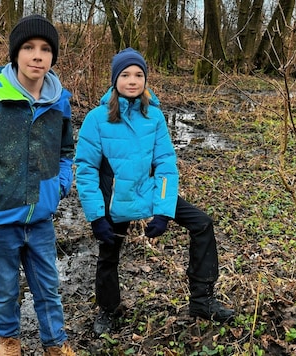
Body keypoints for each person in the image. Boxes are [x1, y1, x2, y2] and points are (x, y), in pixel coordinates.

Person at [74, 48, 235, 335]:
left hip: (148, 192)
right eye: (125, 75)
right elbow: (85, 170)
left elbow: (165, 164)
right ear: (114, 80)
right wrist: (96, 217)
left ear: (146, 80)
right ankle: (108, 310)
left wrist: (162, 211)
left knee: (202, 224)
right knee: (108, 252)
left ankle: (202, 300)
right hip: (115, 199)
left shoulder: (155, 117)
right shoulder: (96, 119)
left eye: (139, 75)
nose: (132, 81)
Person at [0, 14, 76, 356]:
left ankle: (55, 343)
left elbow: (66, 149)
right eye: (28, 48)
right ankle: (8, 341)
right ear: (15, 54)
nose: (37, 56)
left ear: (53, 56)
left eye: (44, 49)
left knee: (48, 286)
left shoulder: (60, 101)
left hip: (40, 218)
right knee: (6, 287)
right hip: (0, 220)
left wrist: (62, 183)